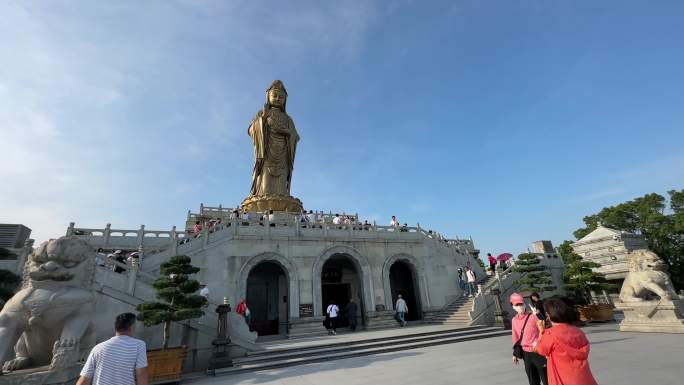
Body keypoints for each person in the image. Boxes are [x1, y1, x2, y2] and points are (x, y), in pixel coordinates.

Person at [535, 297, 598, 385]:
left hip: (563, 377)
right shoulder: (578, 331)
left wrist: (541, 331)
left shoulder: (550, 334)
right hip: (583, 377)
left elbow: (541, 349)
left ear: (548, 315)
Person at [76, 312, 148, 385]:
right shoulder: (138, 345)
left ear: (116, 328)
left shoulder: (98, 348)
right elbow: (141, 374)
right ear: (131, 327)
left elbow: (84, 379)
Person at [510, 293, 548, 385]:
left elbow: (544, 327)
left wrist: (538, 315)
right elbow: (515, 337)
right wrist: (515, 353)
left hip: (538, 351)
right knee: (532, 380)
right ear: (513, 307)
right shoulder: (514, 320)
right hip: (526, 353)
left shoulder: (532, 316)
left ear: (524, 304)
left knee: (546, 378)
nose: (520, 306)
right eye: (517, 305)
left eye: (521, 304)